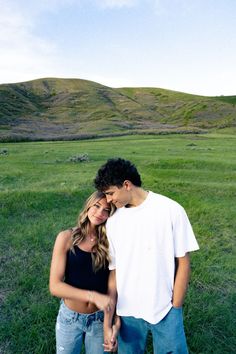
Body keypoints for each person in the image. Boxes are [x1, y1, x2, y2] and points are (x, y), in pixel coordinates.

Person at [94, 158, 200, 354]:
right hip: (128, 310)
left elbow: (183, 262)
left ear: (126, 185)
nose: (108, 200)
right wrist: (114, 310)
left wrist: (175, 306)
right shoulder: (113, 222)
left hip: (165, 308)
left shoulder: (171, 210)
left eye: (110, 193)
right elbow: (114, 272)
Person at [49, 191, 120, 354]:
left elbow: (112, 286)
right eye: (97, 206)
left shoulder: (111, 242)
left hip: (99, 319)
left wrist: (108, 324)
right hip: (70, 317)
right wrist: (93, 296)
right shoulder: (66, 237)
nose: (100, 212)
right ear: (88, 206)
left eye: (106, 210)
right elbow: (55, 286)